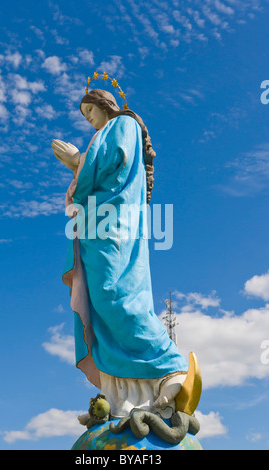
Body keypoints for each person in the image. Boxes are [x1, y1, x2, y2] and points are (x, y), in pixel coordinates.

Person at [52, 88, 188, 419]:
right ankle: (121, 397)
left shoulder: (123, 125)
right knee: (100, 304)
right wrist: (79, 167)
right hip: (99, 225)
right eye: (85, 117)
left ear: (104, 105)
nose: (90, 120)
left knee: (117, 294)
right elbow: (98, 179)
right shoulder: (104, 133)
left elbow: (114, 163)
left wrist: (77, 161)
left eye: (90, 112)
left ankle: (170, 368)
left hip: (115, 225)